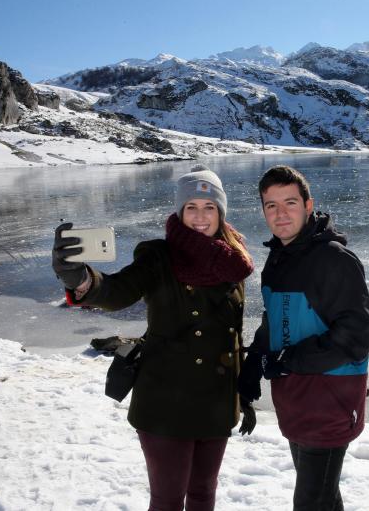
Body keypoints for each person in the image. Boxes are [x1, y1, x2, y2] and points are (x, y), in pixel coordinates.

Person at [51, 164, 255, 511]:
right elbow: (117, 291)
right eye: (191, 207)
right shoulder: (158, 257)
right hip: (166, 402)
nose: (200, 216)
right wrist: (81, 280)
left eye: (209, 208)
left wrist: (244, 393)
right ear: (179, 211)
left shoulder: (232, 261)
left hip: (217, 402)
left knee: (205, 495)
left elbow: (232, 335)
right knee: (168, 500)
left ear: (221, 212)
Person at [238, 165, 369, 511]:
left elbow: (357, 336)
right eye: (271, 205)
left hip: (330, 402)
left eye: (290, 203)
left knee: (311, 502)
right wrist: (252, 368)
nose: (281, 213)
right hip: (296, 401)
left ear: (308, 205)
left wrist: (289, 361)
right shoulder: (279, 260)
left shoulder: (334, 259)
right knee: (323, 499)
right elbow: (274, 322)